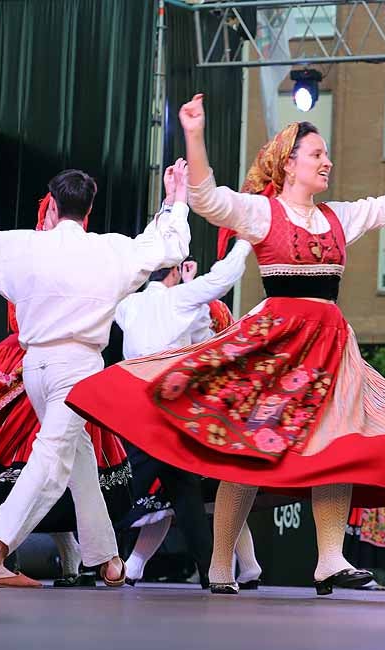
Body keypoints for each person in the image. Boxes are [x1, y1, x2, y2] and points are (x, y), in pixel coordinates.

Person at [66, 95, 385, 595]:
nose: (327, 162)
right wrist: (194, 135)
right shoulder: (264, 212)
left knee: (339, 442)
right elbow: (208, 199)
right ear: (290, 162)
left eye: (326, 155)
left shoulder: (339, 217)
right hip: (277, 347)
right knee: (247, 450)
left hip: (331, 349)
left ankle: (330, 557)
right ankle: (220, 564)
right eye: (317, 153)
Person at [0, 140, 191, 588]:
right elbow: (169, 245)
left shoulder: (23, 247)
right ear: (89, 207)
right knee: (52, 462)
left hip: (34, 368)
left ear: (52, 205)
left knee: (75, 460)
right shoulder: (111, 251)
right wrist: (176, 199)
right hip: (77, 370)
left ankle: (107, 558)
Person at [113, 164, 253, 587]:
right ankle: (99, 556)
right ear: (174, 272)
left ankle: (210, 568)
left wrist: (169, 204)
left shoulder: (130, 304)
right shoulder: (180, 301)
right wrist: (246, 241)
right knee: (162, 486)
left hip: (131, 399)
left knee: (170, 486)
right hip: (167, 403)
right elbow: (225, 278)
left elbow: (194, 334)